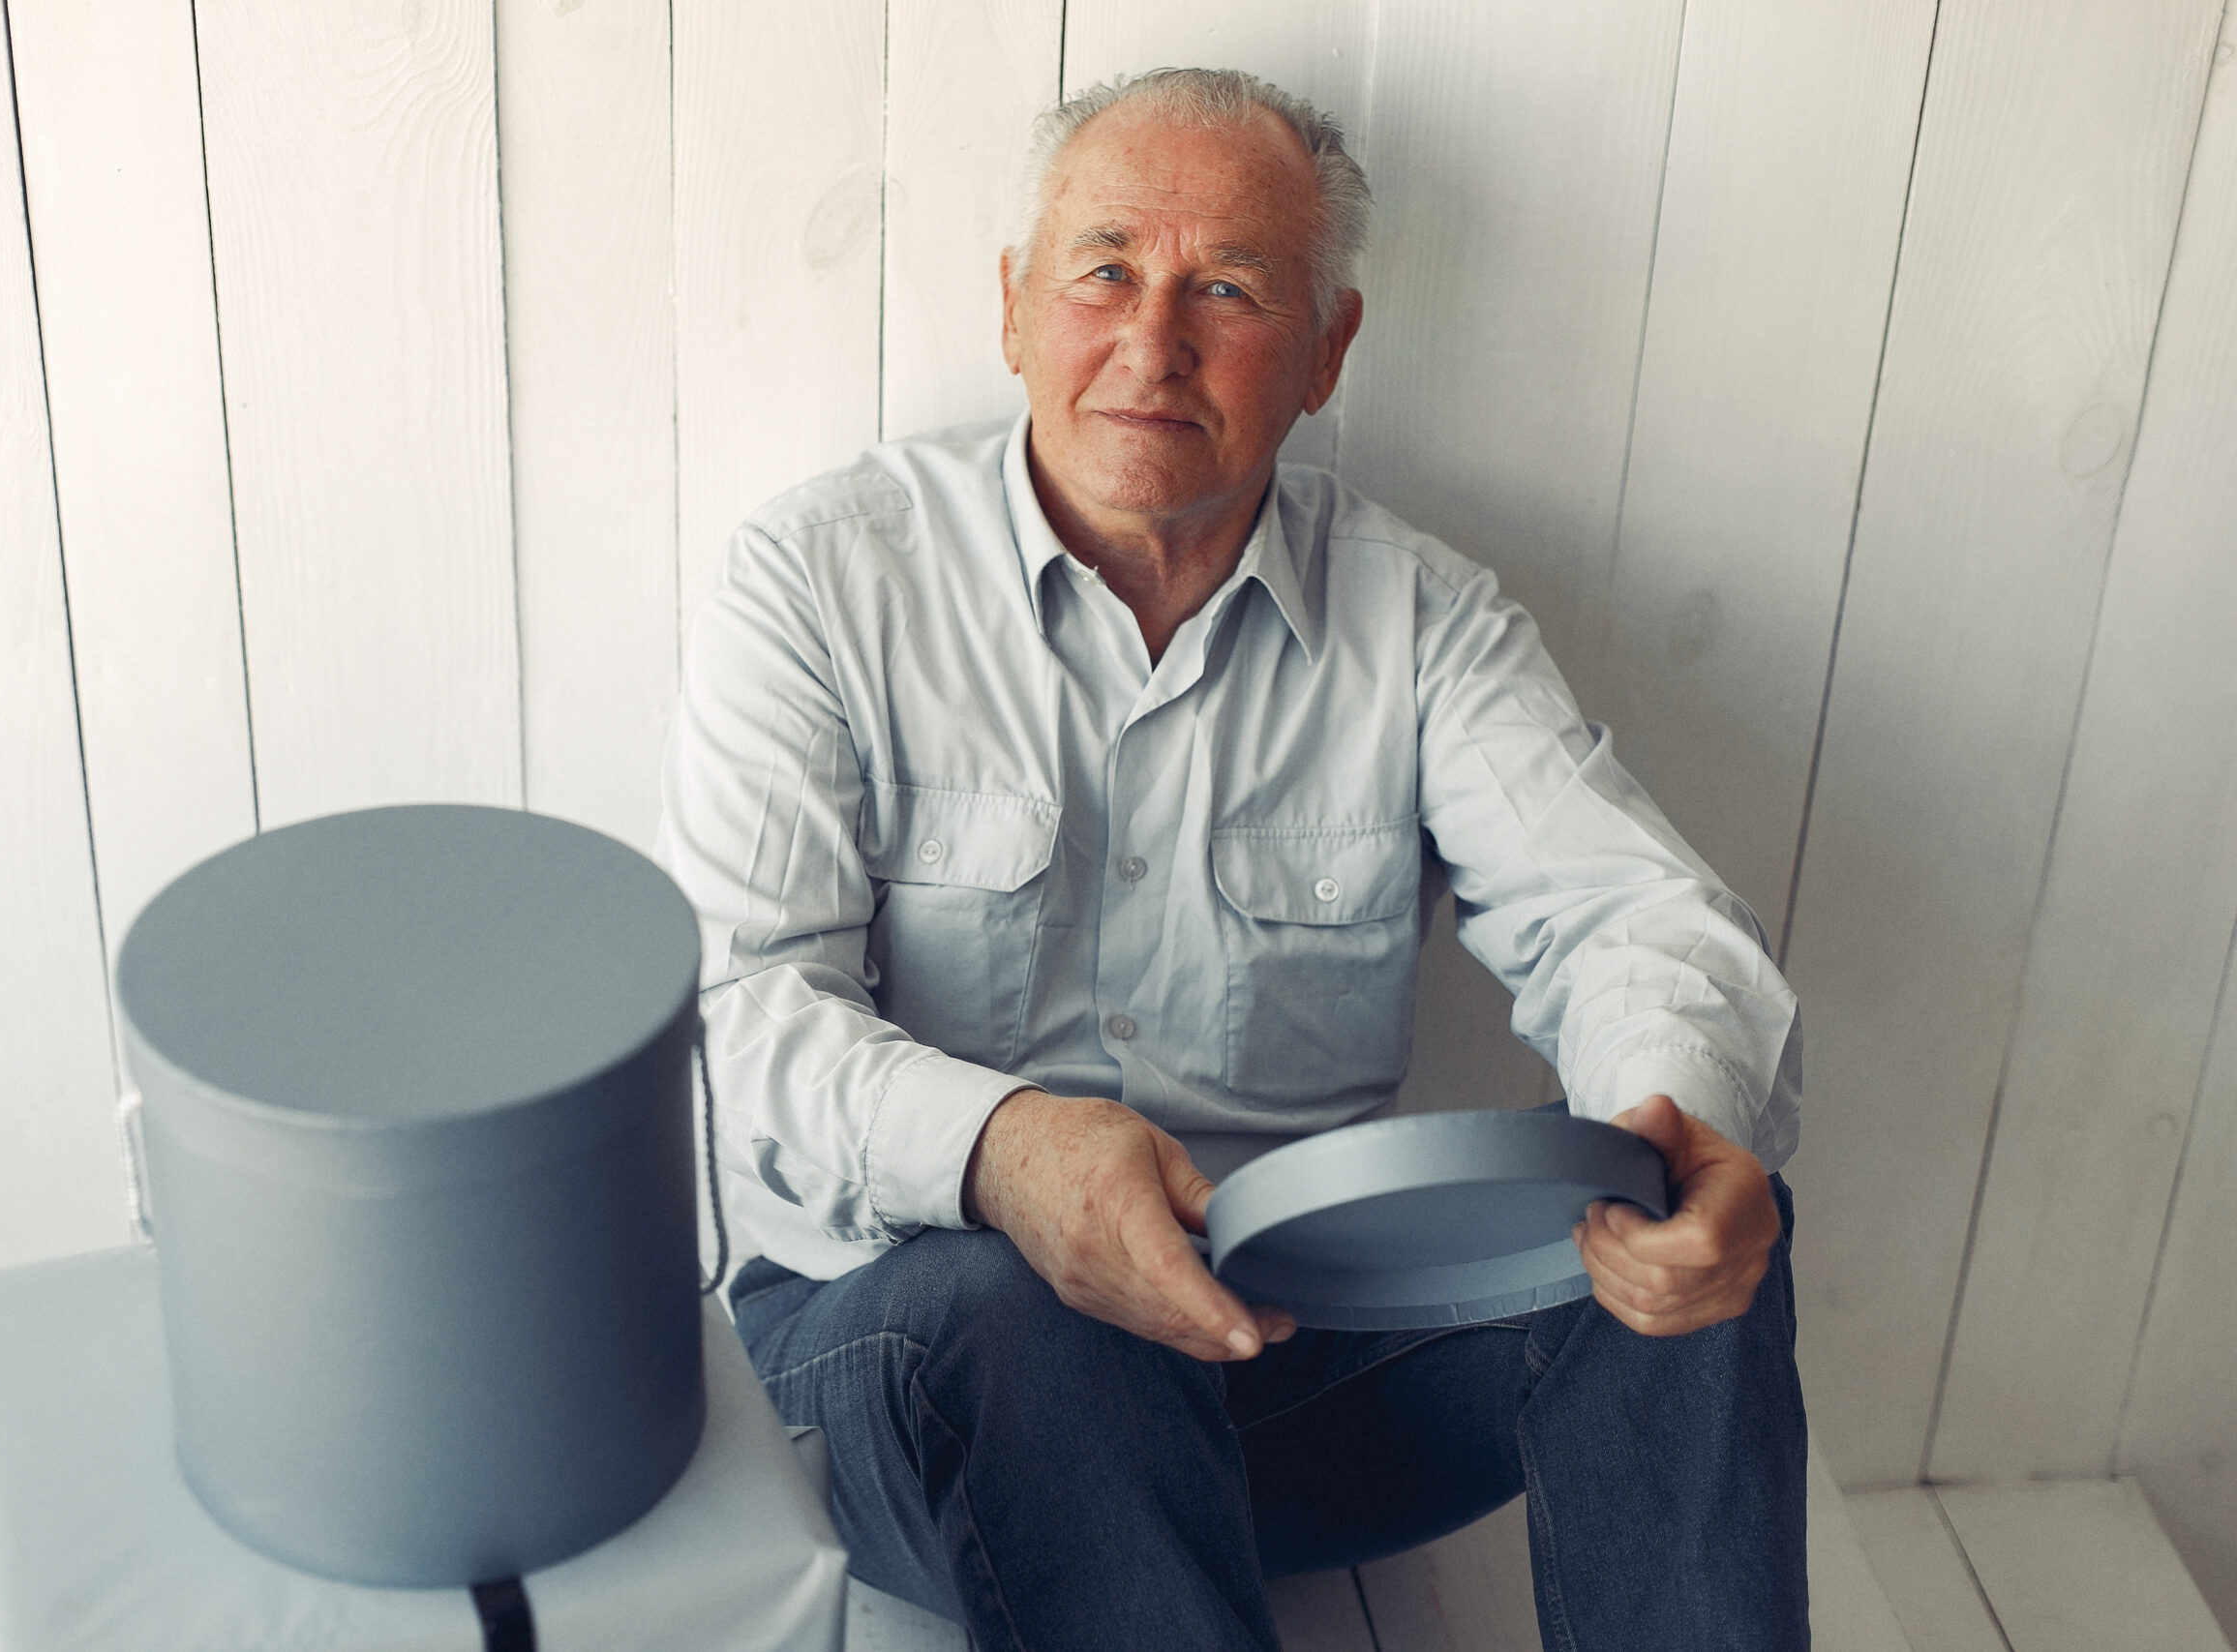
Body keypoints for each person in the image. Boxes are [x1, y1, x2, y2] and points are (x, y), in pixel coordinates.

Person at [658, 67, 1807, 1651]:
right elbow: (734, 1014)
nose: (1153, 341)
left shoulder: (1425, 621)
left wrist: (1672, 1120)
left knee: (1668, 1178)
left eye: (1231, 288)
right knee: (1018, 1307)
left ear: (1326, 351)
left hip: (1295, 1365)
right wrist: (1011, 1156)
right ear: (1012, 308)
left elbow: (1634, 917)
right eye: (1106, 269)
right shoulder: (819, 579)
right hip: (911, 1364)